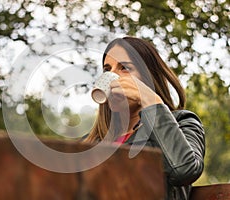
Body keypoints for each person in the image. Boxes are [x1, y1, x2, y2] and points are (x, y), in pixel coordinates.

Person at [84, 36, 205, 200]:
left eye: (125, 68)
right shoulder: (93, 141)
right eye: (107, 70)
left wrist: (150, 100)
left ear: (148, 77)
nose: (113, 78)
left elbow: (184, 170)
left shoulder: (183, 122)